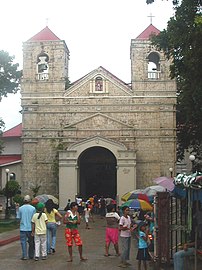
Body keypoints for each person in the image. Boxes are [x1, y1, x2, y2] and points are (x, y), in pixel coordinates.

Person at [18, 195, 36, 260]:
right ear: (30, 201)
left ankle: (24, 255)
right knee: (31, 242)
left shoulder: (20, 208)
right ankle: (31, 255)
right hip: (30, 228)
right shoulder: (33, 208)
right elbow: (34, 219)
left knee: (23, 242)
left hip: (23, 228)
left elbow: (18, 218)